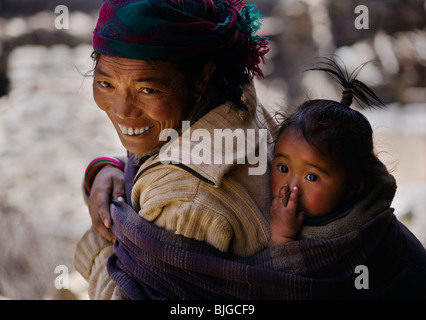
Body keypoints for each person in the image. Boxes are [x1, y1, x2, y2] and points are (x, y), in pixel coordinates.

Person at [74, 0, 277, 299]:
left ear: (201, 78)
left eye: (148, 90)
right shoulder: (235, 100)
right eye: (106, 83)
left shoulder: (186, 202)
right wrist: (109, 168)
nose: (122, 109)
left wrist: (96, 246)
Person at [267, 59, 391, 246]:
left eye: (312, 177)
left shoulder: (355, 236)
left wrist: (281, 239)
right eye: (283, 168)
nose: (292, 188)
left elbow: (289, 275)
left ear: (352, 187)